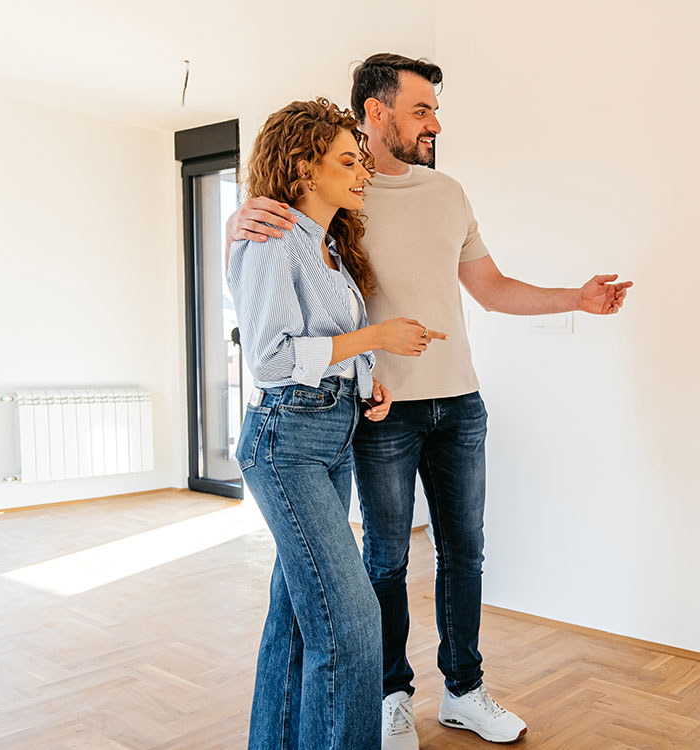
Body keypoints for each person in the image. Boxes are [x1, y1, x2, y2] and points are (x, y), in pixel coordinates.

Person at [227, 54, 633, 749]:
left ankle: (464, 691)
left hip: (449, 404)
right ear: (376, 111)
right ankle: (390, 696)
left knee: (462, 553)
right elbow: (276, 287)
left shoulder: (444, 194)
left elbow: (492, 287)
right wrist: (242, 216)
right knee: (379, 564)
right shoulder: (334, 201)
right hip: (366, 418)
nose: (435, 124)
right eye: (421, 109)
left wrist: (576, 298)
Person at [229, 97, 448, 750]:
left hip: (332, 436)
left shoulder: (324, 245)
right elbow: (269, 358)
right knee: (350, 625)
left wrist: (365, 380)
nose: (363, 173)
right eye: (348, 161)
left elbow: (321, 343)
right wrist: (375, 336)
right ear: (302, 169)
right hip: (286, 442)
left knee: (296, 619)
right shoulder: (271, 237)